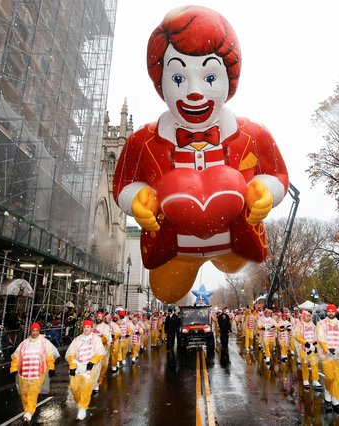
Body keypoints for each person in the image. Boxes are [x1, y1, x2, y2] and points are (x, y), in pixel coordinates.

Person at [112, 5, 289, 304]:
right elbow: (124, 182)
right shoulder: (142, 141)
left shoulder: (252, 134)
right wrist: (137, 199)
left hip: (235, 245)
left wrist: (267, 191)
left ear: (230, 78)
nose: (194, 92)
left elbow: (278, 174)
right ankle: (187, 261)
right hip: (173, 246)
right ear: (161, 80)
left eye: (209, 78)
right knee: (166, 293)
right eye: (179, 79)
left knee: (233, 263)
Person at [9, 323, 59, 424]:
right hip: (23, 373)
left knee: (32, 393)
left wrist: (51, 368)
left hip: (37, 373)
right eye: (33, 330)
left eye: (36, 330)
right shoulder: (24, 344)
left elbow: (49, 357)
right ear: (30, 331)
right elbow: (16, 358)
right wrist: (13, 369)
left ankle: (29, 412)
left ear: (39, 331)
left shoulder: (44, 343)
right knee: (23, 393)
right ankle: (27, 409)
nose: (35, 332)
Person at [66, 319, 106, 420]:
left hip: (90, 367)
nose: (86, 329)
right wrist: (72, 365)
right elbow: (71, 353)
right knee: (74, 387)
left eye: (88, 327)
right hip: (78, 367)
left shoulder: (96, 339)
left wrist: (92, 362)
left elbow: (100, 352)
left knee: (86, 388)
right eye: (84, 327)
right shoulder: (77, 339)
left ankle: (83, 407)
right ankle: (80, 403)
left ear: (91, 328)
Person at [316, 304, 339, 414]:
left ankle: (335, 401)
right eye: (329, 311)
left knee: (337, 378)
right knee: (330, 377)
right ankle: (327, 397)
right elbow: (320, 338)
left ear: (335, 312)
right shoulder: (321, 324)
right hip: (327, 355)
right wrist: (327, 349)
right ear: (327, 312)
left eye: (332, 311)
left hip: (338, 355)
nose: (330, 313)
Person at [295, 310, 322, 391]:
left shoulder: (313, 325)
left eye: (310, 316)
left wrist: (315, 346)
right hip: (304, 348)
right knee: (304, 364)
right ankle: (305, 380)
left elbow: (316, 336)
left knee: (314, 364)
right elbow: (297, 336)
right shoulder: (299, 325)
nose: (309, 317)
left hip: (312, 348)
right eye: (307, 316)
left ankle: (315, 380)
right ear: (303, 316)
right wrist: (306, 344)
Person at [92, 312, 111, 392]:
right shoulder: (92, 326)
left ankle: (97, 383)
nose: (98, 318)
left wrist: (97, 340)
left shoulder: (106, 327)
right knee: (93, 367)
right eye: (97, 316)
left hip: (102, 350)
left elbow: (106, 338)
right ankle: (93, 382)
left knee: (100, 367)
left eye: (100, 316)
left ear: (103, 318)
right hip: (92, 350)